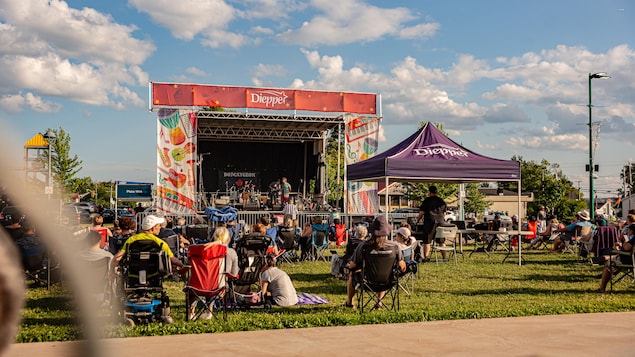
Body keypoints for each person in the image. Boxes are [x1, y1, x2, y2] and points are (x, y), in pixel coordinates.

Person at [344, 216, 406, 308]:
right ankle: (379, 302)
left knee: (352, 274)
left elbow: (352, 265)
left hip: (367, 282)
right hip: (387, 282)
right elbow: (402, 267)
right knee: (384, 270)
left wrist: (347, 265)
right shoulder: (395, 247)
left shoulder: (363, 246)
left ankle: (350, 303)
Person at [109, 215, 187, 281]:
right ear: (152, 228)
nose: (160, 227)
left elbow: (117, 258)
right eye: (158, 225)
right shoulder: (159, 242)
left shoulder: (131, 240)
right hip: (153, 275)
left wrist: (112, 271)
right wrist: (183, 266)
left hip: (133, 274)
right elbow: (173, 259)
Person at [598, 223, 635, 292]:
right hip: (628, 258)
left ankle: (602, 288)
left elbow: (627, 248)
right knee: (614, 258)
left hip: (630, 260)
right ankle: (606, 258)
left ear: (631, 231)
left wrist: (624, 244)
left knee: (609, 264)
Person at [416, 185, 447, 261]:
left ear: (429, 192)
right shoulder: (441, 201)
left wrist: (417, 221)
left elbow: (421, 213)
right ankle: (444, 257)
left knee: (427, 240)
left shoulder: (427, 201)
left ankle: (426, 257)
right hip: (440, 222)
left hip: (430, 221)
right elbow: (444, 214)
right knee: (441, 241)